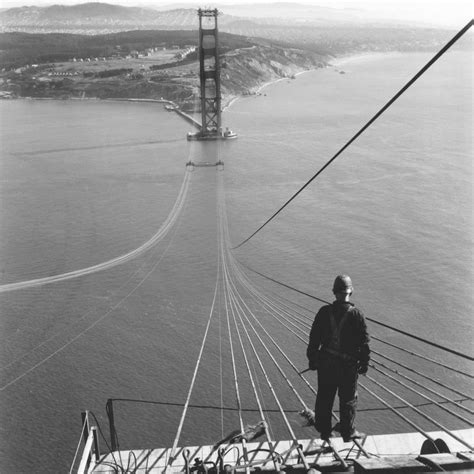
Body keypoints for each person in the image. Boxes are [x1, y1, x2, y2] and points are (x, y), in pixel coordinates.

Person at [306, 274, 370, 442]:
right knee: (348, 399)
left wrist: (313, 360)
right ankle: (348, 432)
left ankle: (325, 432)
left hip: (326, 364)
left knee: (324, 398)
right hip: (347, 367)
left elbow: (314, 339)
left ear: (334, 292)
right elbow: (364, 344)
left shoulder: (324, 312)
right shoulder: (357, 315)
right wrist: (364, 364)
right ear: (351, 292)